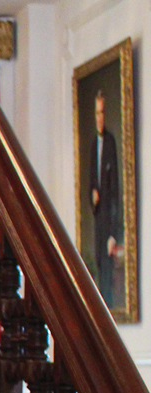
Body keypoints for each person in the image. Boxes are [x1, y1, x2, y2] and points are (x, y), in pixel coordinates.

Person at [89, 89, 120, 306]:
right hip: (98, 217)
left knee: (108, 268)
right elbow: (92, 181)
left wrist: (113, 234)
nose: (99, 117)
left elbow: (115, 189)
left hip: (108, 218)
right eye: (96, 113)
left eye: (102, 113)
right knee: (99, 264)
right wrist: (93, 193)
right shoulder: (93, 146)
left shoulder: (110, 142)